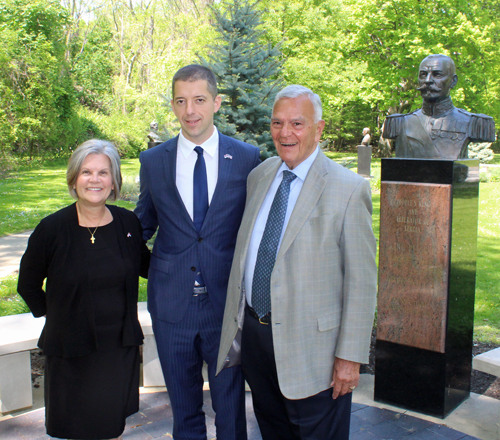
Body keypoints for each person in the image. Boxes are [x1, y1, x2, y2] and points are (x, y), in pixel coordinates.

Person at [217, 85, 377, 439]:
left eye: (297, 124)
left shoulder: (348, 189)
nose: (285, 133)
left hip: (315, 354)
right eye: (277, 123)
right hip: (259, 343)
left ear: (318, 129)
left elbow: (362, 283)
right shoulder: (260, 176)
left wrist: (349, 358)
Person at [135, 64, 260, 440]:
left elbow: (257, 228)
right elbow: (141, 226)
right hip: (172, 307)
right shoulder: (154, 161)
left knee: (230, 409)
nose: (190, 110)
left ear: (217, 102)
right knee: (184, 411)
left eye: (200, 100)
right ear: (173, 105)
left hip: (226, 308)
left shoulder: (246, 157)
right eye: (181, 101)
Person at [17, 139, 150, 440]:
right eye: (86, 172)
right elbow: (27, 284)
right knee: (74, 427)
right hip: (70, 351)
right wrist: (59, 316)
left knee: (110, 426)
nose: (95, 180)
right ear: (74, 179)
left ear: (114, 181)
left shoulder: (127, 223)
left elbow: (147, 266)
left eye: (103, 173)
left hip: (117, 347)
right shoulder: (52, 228)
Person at [383, 54, 495, 159]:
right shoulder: (398, 123)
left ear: (453, 81)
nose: (428, 81)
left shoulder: (475, 123)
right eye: (423, 75)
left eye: (437, 75)